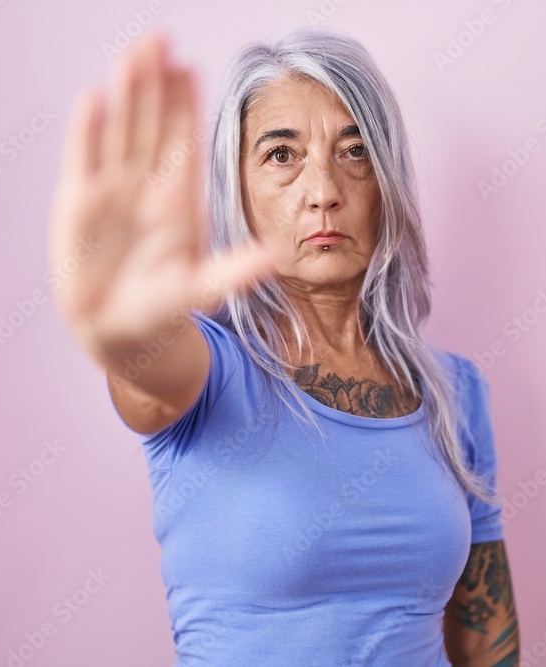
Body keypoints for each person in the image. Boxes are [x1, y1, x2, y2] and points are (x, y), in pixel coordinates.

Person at [47, 25, 520, 667]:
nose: (323, 191)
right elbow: (147, 366)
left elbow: (486, 639)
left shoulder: (455, 390)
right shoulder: (210, 368)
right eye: (281, 154)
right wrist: (122, 325)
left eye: (355, 151)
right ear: (237, 188)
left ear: (388, 182)